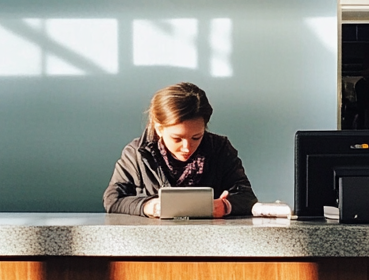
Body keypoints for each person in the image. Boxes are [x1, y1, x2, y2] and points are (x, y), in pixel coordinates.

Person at [104, 82, 258, 218]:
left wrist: (225, 207)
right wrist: (149, 206)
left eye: (196, 137)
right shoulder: (136, 153)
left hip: (210, 241)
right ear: (159, 129)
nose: (186, 147)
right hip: (151, 242)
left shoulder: (219, 148)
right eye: (177, 139)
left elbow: (247, 197)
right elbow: (113, 199)